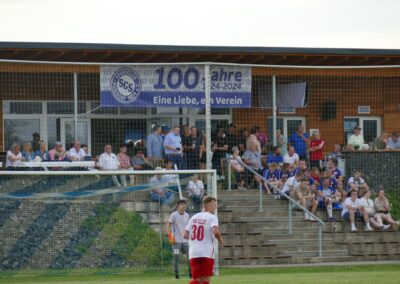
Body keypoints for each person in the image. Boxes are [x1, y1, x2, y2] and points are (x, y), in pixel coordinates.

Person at [184, 196, 223, 284]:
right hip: (206, 252)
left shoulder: (194, 217)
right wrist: (220, 239)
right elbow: (216, 232)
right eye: (214, 204)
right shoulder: (212, 217)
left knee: (196, 280)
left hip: (193, 253)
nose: (216, 207)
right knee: (205, 280)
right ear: (208, 205)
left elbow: (185, 234)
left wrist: (195, 241)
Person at [167, 199, 191, 280]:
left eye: (184, 204)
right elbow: (168, 226)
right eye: (182, 204)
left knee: (190, 257)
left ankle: (191, 274)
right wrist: (170, 237)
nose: (183, 206)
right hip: (176, 242)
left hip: (185, 241)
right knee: (176, 257)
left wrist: (189, 236)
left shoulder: (187, 215)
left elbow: (188, 227)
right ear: (178, 206)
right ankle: (177, 276)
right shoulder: (174, 215)